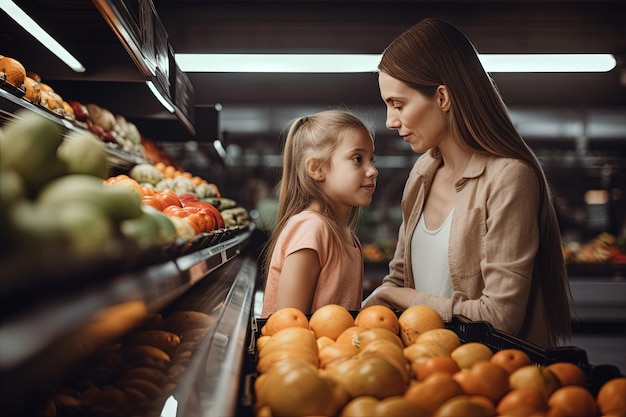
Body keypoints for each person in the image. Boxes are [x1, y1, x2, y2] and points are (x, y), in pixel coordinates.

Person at [362, 18, 572, 348]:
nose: (390, 121)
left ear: (442, 97)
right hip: (425, 375)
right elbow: (398, 281)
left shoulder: (509, 178)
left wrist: (399, 295)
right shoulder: (421, 174)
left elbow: (501, 318)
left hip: (487, 383)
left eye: (399, 104)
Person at [260, 109, 378, 318]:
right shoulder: (311, 229)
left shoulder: (350, 239)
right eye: (358, 159)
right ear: (316, 168)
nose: (372, 170)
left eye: (372, 159)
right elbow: (289, 327)